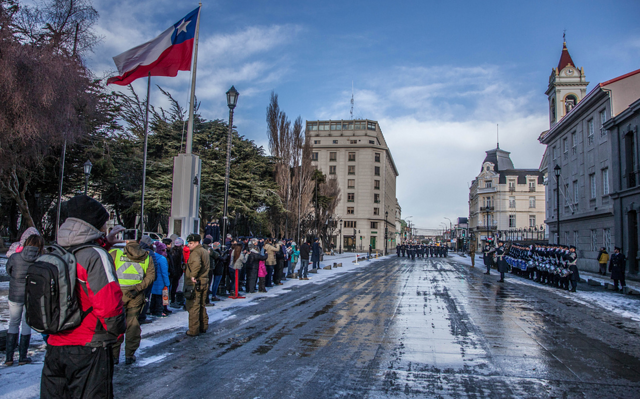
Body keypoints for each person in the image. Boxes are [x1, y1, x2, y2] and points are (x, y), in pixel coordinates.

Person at [41, 195, 126, 398]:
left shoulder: (56, 251)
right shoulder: (96, 256)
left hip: (55, 343)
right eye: (104, 222)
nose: (106, 226)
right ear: (93, 224)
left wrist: (105, 243)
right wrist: (117, 334)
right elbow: (109, 308)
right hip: (89, 345)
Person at [109, 236, 156, 365]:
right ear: (139, 241)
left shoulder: (115, 253)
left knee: (116, 323)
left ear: (126, 241)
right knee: (133, 323)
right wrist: (138, 288)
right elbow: (151, 276)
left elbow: (107, 271)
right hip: (136, 294)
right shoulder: (147, 257)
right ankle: (130, 354)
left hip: (118, 294)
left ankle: (114, 355)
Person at [5, 232, 43, 366]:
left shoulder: (15, 257)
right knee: (27, 324)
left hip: (14, 295)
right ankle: (22, 357)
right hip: (30, 296)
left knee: (13, 323)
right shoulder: (40, 259)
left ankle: (9, 357)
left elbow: (8, 270)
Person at [185, 234, 210, 336]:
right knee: (201, 305)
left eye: (191, 243)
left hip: (196, 282)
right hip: (204, 280)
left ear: (197, 243)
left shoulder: (196, 252)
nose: (189, 245)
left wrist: (193, 276)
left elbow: (196, 264)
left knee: (193, 306)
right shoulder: (204, 251)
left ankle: (193, 330)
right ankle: (203, 326)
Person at [150, 242, 171, 317]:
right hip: (161, 281)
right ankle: (160, 311)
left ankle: (152, 310)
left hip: (154, 281)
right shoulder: (162, 259)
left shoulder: (153, 256)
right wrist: (167, 283)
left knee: (154, 296)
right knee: (162, 297)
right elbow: (164, 272)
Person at [168, 238, 185, 308]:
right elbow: (179, 263)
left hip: (172, 272)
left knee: (171, 287)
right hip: (176, 272)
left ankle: (170, 301)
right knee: (174, 287)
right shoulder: (179, 252)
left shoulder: (171, 251)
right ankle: (172, 301)